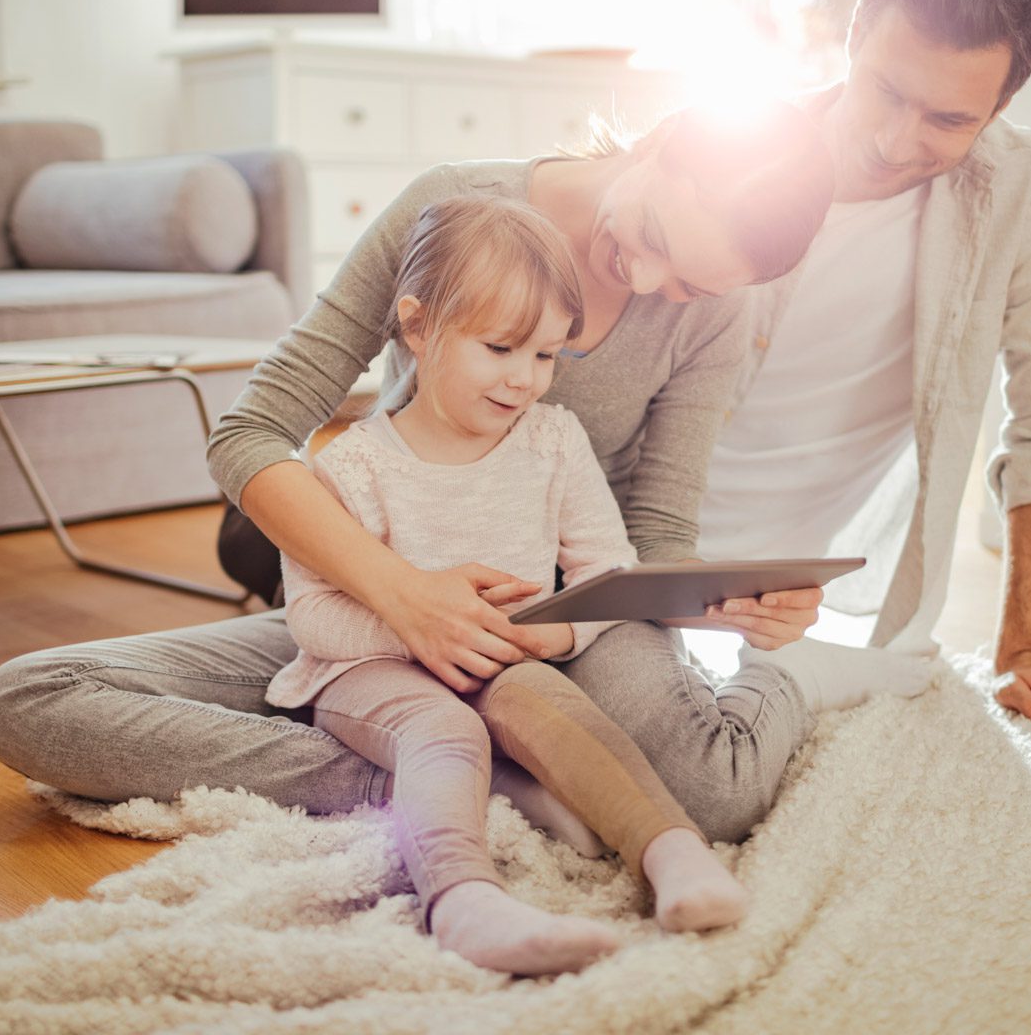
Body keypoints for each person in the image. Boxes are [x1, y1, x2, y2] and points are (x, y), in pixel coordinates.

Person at [0, 98, 873, 846]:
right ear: (662, 143)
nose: (645, 277)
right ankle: (474, 769)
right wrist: (404, 597)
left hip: (573, 614)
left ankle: (760, 689)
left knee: (716, 795)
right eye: (650, 236)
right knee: (32, 700)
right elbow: (251, 432)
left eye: (688, 284)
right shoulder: (452, 206)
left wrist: (714, 598)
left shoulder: (716, 312)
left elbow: (656, 528)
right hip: (385, 596)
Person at [698, 0, 1031, 733]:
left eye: (949, 121)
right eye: (887, 91)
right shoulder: (730, 153)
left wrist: (1024, 653)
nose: (893, 141)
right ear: (855, 34)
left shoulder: (1027, 191)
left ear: (1003, 103)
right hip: (623, 554)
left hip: (793, 611)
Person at [275, 195, 747, 975]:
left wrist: (555, 635)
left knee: (554, 703)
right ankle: (465, 902)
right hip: (368, 669)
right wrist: (424, 628)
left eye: (545, 355)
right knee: (444, 730)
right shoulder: (352, 468)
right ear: (418, 327)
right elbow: (315, 619)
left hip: (505, 656)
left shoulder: (554, 441)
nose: (524, 379)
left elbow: (604, 568)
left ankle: (675, 856)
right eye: (499, 348)